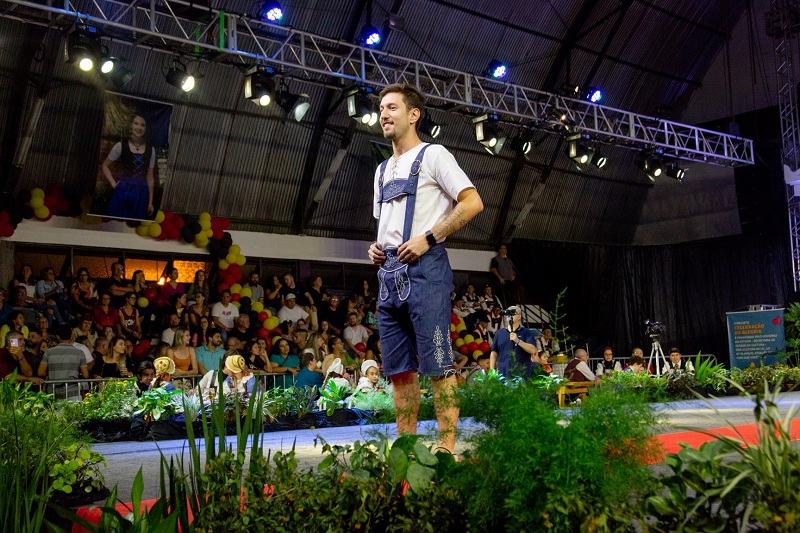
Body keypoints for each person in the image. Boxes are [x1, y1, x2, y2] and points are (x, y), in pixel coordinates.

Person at [367, 83, 484, 456]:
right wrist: (376, 246)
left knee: (437, 364)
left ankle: (446, 447)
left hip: (426, 270)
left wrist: (429, 238)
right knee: (399, 371)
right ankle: (407, 449)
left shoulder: (434, 155)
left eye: (392, 108)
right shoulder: (382, 170)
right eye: (381, 109)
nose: (384, 114)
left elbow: (473, 203)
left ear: (413, 114)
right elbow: (387, 223)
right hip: (388, 274)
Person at [102, 113, 156, 219]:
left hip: (141, 193)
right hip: (123, 190)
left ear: (146, 128)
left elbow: (150, 177)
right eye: (136, 123)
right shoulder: (120, 146)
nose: (139, 127)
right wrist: (113, 184)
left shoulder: (151, 150)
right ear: (130, 125)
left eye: (142, 125)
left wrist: (150, 202)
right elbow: (105, 166)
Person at [37, 324, 89, 401]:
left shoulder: (49, 352)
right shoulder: (79, 352)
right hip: (73, 393)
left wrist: (52, 372)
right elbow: (85, 375)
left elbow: (40, 372)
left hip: (54, 393)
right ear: (71, 336)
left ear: (57, 337)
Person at [488, 306, 538, 377]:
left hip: (522, 374)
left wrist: (518, 341)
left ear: (519, 317)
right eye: (508, 314)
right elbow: (493, 353)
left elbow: (533, 350)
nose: (510, 316)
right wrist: (492, 371)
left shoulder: (526, 332)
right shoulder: (499, 333)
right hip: (503, 374)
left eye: (513, 313)